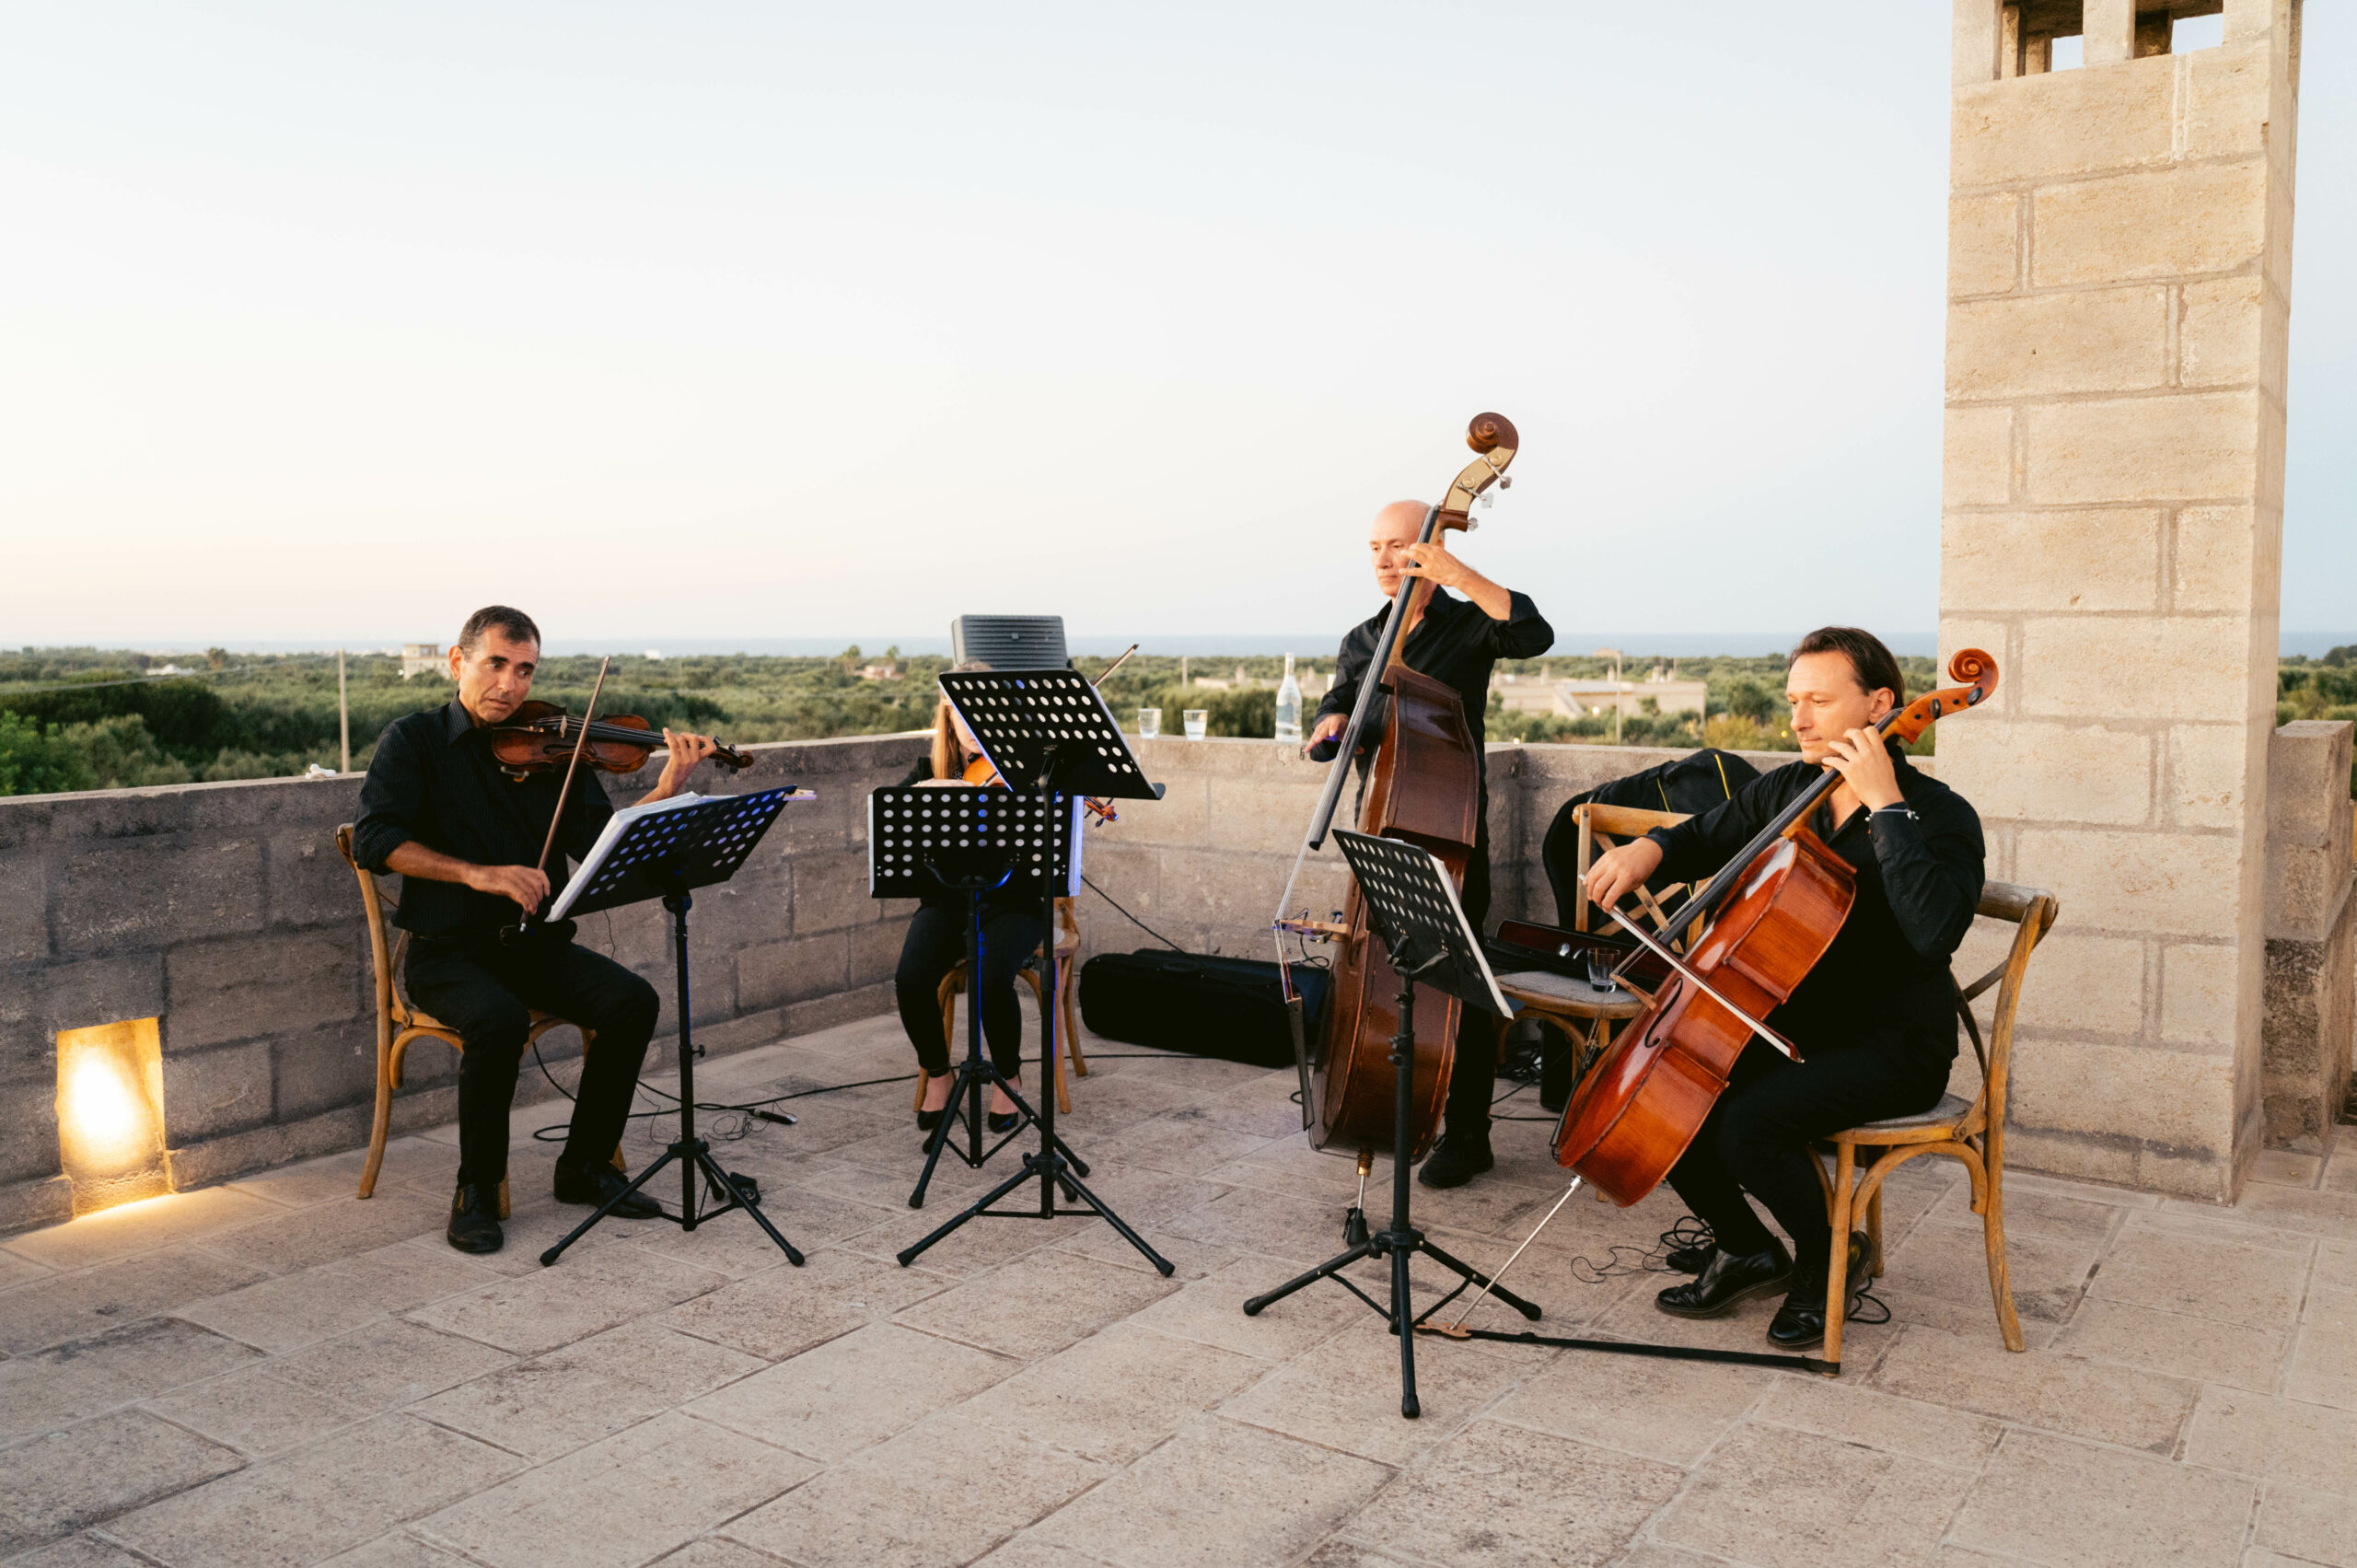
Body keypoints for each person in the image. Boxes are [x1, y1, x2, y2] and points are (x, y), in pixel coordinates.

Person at [1583, 626, 1985, 1349]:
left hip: (1892, 1044)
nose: (1797, 719)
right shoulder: (1792, 788)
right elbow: (1704, 834)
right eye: (1794, 699)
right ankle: (1744, 1245)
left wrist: (1886, 806)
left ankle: (1827, 1259)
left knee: (1746, 1124)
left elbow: (1935, 933)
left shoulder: (1939, 814)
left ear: (1881, 704)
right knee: (1668, 1094)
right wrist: (1650, 850)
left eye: (1819, 701)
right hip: (1793, 1023)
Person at [352, 606, 726, 1253]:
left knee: (633, 1001)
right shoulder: (413, 741)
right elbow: (374, 839)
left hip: (534, 946)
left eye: (524, 669)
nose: (511, 684)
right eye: (496, 663)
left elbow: (599, 841)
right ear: (457, 661)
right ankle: (477, 1188)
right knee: (495, 1020)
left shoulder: (556, 749)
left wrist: (665, 788)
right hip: (448, 954)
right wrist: (480, 874)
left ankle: (582, 1166)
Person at [1306, 499, 1555, 1189]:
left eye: (1398, 545)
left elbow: (1535, 632)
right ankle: (1383, 1101)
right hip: (1380, 825)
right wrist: (1328, 720)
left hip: (1447, 832)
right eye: (1375, 547)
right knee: (1376, 973)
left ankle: (1468, 1134)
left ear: (1430, 547)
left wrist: (1459, 572)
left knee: (1457, 982)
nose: (1384, 559)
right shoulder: (1363, 637)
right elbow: (1340, 702)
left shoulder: (1469, 624)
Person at [895, 665, 1047, 1135]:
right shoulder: (929, 772)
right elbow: (895, 824)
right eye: (964, 710)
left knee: (989, 976)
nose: (975, 721)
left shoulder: (1027, 768)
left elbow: (1048, 846)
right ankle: (939, 1074)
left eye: (986, 708)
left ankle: (1008, 1073)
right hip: (948, 903)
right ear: (948, 715)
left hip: (1016, 904)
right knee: (911, 978)